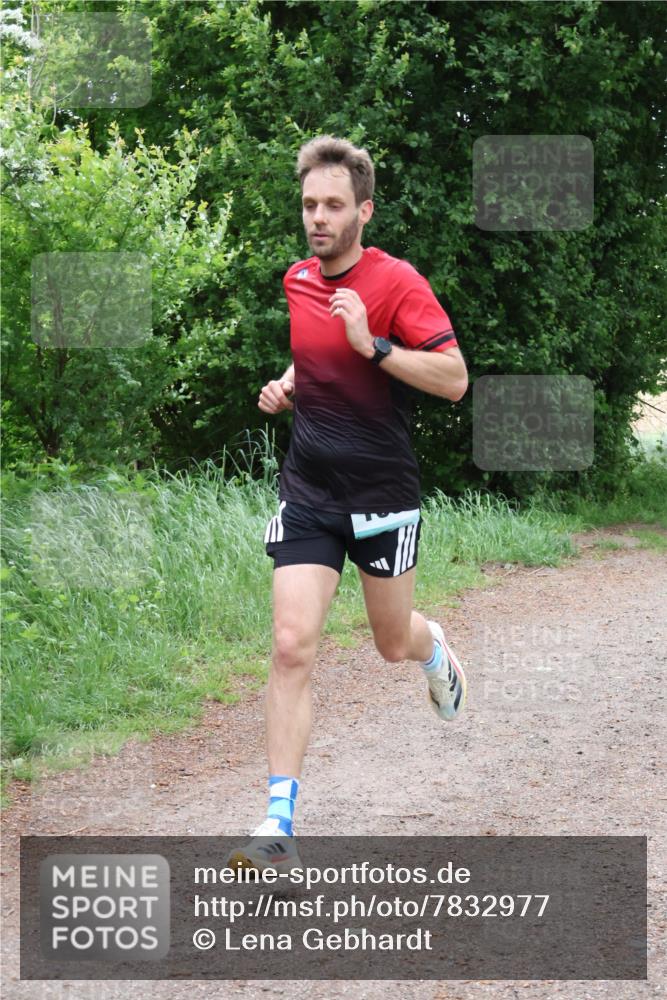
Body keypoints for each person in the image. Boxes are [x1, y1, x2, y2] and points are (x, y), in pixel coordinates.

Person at [227, 136, 468, 873]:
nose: (317, 217)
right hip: (309, 492)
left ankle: (435, 652)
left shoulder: (397, 282)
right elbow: (312, 351)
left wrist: (375, 345)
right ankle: (278, 824)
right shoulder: (297, 278)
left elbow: (454, 378)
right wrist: (288, 384)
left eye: (332, 205)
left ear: (362, 209)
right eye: (308, 204)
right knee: (291, 643)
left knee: (389, 643)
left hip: (382, 495)